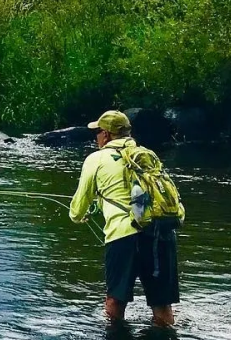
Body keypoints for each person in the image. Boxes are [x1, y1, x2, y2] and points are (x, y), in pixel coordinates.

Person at [69, 110, 184, 327]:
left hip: (124, 236)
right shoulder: (147, 154)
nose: (96, 138)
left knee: (115, 302)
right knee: (162, 306)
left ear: (106, 134)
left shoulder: (96, 159)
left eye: (97, 133)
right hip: (161, 232)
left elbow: (77, 208)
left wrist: (79, 215)